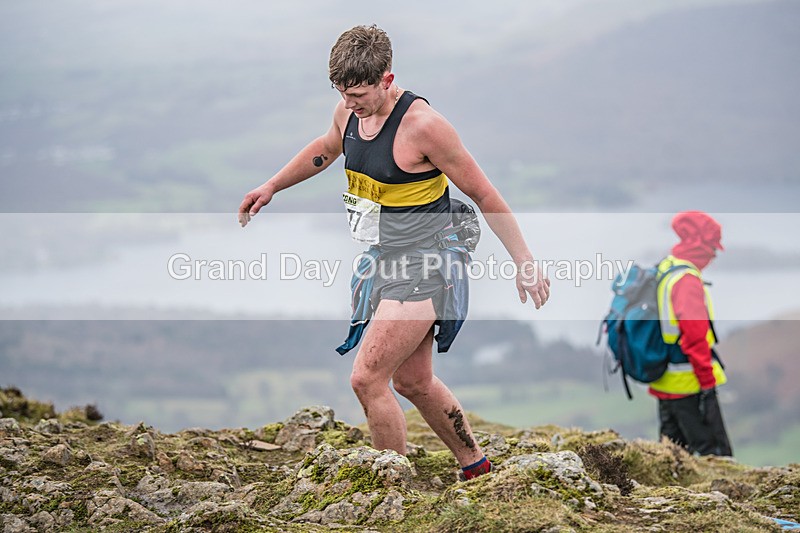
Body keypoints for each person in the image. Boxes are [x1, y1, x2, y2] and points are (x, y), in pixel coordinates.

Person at [238, 24, 550, 480]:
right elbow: (326, 148)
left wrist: (525, 262)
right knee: (412, 381)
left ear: (387, 78)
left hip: (430, 260)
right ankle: (477, 467)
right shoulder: (348, 113)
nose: (350, 104)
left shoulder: (425, 128)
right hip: (386, 257)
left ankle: (392, 485)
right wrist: (271, 185)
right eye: (342, 93)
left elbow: (486, 196)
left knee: (367, 378)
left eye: (359, 94)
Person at [648, 211, 733, 456]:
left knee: (673, 457)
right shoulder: (687, 280)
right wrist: (707, 383)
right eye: (712, 248)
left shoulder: (668, 266)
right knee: (714, 457)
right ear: (700, 245)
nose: (714, 255)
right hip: (690, 384)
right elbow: (694, 337)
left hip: (666, 381)